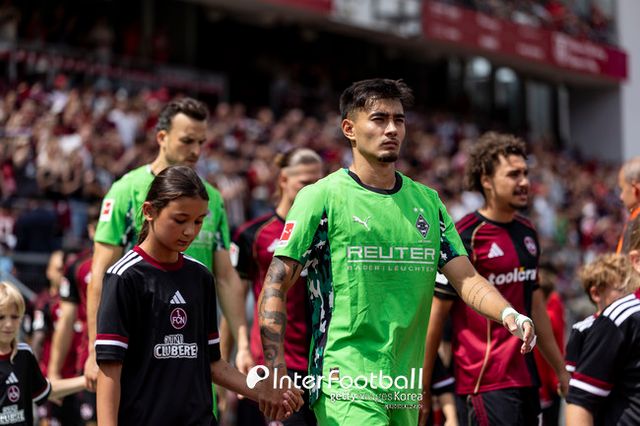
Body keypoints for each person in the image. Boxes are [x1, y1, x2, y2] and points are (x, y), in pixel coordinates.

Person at [257, 79, 536, 426]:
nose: (391, 129)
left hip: (404, 384)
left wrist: (508, 314)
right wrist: (275, 368)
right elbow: (276, 283)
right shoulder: (321, 197)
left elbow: (466, 278)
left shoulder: (427, 202)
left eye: (399, 120)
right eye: (379, 119)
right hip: (344, 379)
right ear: (349, 129)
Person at [95, 166, 302, 426]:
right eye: (180, 220)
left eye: (198, 221)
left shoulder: (200, 276)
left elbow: (213, 363)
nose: (190, 231)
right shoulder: (125, 277)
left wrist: (264, 391)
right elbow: (109, 371)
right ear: (149, 211)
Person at [86, 98, 252, 395]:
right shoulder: (125, 190)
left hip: (195, 350)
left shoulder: (211, 198)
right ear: (162, 137)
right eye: (187, 141)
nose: (196, 151)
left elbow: (226, 277)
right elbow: (101, 273)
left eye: (201, 142)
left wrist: (243, 344)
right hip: (143, 351)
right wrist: (93, 347)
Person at [423, 133, 569, 426]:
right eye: (513, 174)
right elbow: (436, 315)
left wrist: (560, 369)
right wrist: (423, 386)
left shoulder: (528, 232)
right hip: (484, 381)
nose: (524, 182)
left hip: (526, 377)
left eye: (525, 173)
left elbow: (536, 307)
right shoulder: (465, 234)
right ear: (486, 180)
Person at [232, 148, 323, 425]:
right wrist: (240, 349)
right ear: (283, 180)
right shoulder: (253, 234)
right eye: (305, 182)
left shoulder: (329, 233)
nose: (313, 190)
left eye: (318, 182)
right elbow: (235, 296)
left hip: (323, 364)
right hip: (277, 363)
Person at [566, 253, 640, 425]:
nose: (627, 294)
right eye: (621, 289)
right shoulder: (585, 329)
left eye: (630, 288)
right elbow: (579, 393)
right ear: (596, 293)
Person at [0, 281, 86, 425]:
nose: (8, 324)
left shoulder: (24, 354)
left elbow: (45, 390)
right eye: (1, 317)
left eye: (14, 317)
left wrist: (85, 381)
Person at [48, 205, 100, 424]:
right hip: (91, 360)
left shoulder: (133, 262)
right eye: (99, 226)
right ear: (91, 230)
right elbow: (66, 321)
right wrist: (54, 372)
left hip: (132, 362)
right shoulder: (77, 266)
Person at [617, 156, 640, 254]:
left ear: (635, 188)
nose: (621, 197)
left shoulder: (636, 222)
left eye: (622, 189)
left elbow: (624, 262)